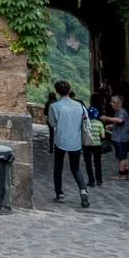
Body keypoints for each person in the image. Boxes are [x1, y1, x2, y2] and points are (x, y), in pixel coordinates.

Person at [45, 80, 89, 208]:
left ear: (57, 92)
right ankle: (83, 190)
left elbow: (52, 123)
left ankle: (59, 194)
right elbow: (85, 122)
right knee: (75, 168)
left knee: (58, 167)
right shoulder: (79, 106)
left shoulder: (54, 106)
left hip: (61, 140)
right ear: (69, 90)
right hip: (75, 140)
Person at [106, 95, 129, 179]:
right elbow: (121, 123)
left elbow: (120, 120)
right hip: (123, 138)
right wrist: (111, 125)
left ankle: (121, 175)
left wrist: (106, 118)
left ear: (118, 103)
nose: (111, 104)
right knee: (124, 157)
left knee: (121, 157)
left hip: (121, 139)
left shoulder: (121, 112)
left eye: (113, 102)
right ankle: (126, 173)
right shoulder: (119, 111)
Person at [82, 104, 107, 187]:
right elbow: (103, 136)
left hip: (87, 144)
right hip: (97, 145)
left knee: (88, 163)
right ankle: (99, 180)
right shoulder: (100, 123)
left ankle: (91, 181)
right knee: (97, 162)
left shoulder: (85, 123)